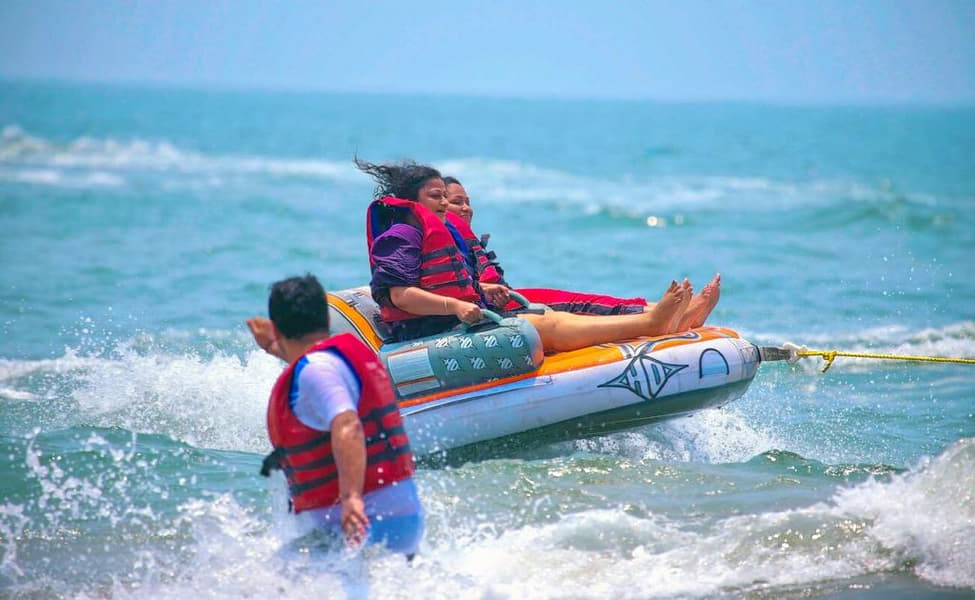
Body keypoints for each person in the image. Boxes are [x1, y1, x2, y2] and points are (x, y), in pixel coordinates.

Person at [358, 158, 693, 353]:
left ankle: (650, 323)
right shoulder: (400, 235)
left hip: (450, 320)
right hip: (426, 332)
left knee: (546, 315)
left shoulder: (426, 231)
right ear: (411, 200)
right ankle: (650, 322)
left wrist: (480, 292)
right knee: (540, 324)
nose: (446, 204)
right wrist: (457, 306)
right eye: (436, 197)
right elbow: (400, 296)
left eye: (446, 197)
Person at [248, 274, 423, 558]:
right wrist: (273, 347)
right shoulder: (337, 359)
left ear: (278, 327)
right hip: (399, 517)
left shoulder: (316, 371)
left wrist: (351, 497)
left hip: (359, 522)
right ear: (326, 320)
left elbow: (348, 425)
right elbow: (315, 369)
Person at [443, 175, 721, 328]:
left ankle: (673, 314)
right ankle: (663, 317)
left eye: (468, 201)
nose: (467, 208)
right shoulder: (443, 236)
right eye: (457, 202)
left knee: (580, 300)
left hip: (503, 299)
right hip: (495, 307)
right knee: (576, 305)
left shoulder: (457, 236)